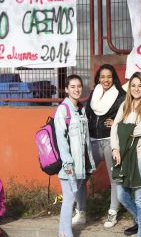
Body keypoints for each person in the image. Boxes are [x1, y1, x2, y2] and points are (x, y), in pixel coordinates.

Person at [110, 72, 141, 237]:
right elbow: (115, 127)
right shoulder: (124, 105)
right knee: (122, 195)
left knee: (140, 197)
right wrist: (115, 148)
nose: (136, 89)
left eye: (140, 85)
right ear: (129, 88)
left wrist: (125, 129)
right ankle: (140, 220)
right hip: (124, 154)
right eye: (133, 85)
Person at [84, 64, 126, 228]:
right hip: (92, 142)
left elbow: (129, 116)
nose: (105, 80)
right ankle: (81, 210)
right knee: (82, 175)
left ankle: (113, 212)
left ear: (113, 77)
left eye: (109, 76)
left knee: (114, 179)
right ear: (98, 78)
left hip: (110, 142)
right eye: (102, 77)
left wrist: (117, 122)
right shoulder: (94, 93)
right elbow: (87, 114)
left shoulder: (121, 95)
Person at [56, 74, 96, 237]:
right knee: (69, 199)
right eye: (72, 87)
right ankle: (66, 233)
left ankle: (62, 232)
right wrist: (68, 163)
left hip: (80, 164)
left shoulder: (81, 109)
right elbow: (61, 140)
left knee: (71, 197)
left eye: (79, 86)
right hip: (69, 165)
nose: (76, 89)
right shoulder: (63, 110)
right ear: (66, 89)